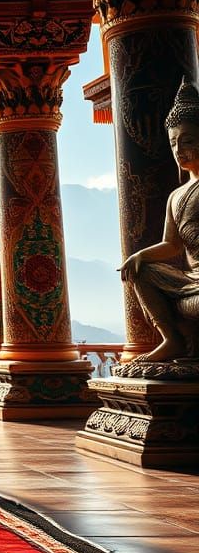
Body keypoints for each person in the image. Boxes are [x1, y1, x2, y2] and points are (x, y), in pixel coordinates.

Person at [119, 78, 199, 362]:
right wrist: (139, 255)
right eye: (173, 143)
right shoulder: (177, 196)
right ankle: (172, 339)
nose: (179, 149)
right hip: (191, 279)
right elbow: (171, 245)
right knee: (140, 270)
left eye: (187, 140)